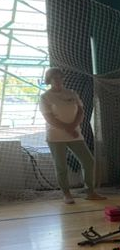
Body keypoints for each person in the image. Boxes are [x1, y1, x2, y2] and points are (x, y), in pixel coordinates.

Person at [39, 68, 106, 204]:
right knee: (61, 166)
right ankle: (67, 194)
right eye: (54, 78)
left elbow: (81, 111)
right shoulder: (45, 97)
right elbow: (49, 118)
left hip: (75, 134)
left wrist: (73, 126)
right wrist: (68, 129)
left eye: (59, 77)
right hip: (56, 137)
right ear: (49, 80)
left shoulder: (72, 93)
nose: (57, 80)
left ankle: (90, 192)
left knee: (89, 161)